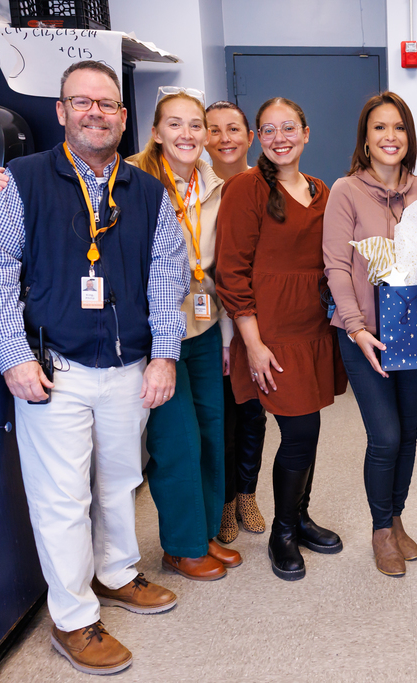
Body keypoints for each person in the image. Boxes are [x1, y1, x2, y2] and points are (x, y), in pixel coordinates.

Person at [0, 60, 187, 675]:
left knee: (119, 481)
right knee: (63, 499)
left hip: (126, 364)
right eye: (81, 102)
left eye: (107, 104)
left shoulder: (147, 190)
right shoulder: (22, 180)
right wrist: (12, 356)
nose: (95, 112)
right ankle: (73, 619)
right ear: (62, 112)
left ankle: (117, 571)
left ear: (123, 117)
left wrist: (165, 353)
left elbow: (167, 274)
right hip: (53, 367)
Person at [216, 97, 347, 581]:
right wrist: (252, 343)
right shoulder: (245, 189)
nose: (279, 138)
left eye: (288, 128)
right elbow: (231, 272)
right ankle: (283, 533)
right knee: (299, 434)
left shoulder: (322, 190)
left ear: (306, 133)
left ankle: (300, 516)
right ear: (258, 138)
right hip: (269, 333)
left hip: (312, 329)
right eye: (267, 130)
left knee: (307, 431)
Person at [323, 92, 417, 576]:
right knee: (386, 436)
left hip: (414, 331)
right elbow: (335, 266)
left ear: (408, 137)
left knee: (411, 431)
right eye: (379, 128)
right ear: (366, 138)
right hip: (364, 334)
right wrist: (355, 328)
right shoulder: (346, 191)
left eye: (398, 127)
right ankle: (379, 530)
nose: (390, 136)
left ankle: (396, 519)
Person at [127, 90, 241, 580]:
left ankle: (207, 531)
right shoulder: (131, 180)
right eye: (175, 125)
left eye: (196, 125)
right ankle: (182, 544)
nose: (188, 135)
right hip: (158, 334)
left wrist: (230, 335)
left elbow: (224, 265)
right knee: (177, 440)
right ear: (156, 132)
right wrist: (3, 181)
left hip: (206, 324)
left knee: (211, 432)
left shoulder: (216, 183)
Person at [203, 100, 268, 543]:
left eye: (233, 129)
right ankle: (226, 500)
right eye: (214, 130)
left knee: (253, 413)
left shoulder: (265, 186)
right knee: (222, 417)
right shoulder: (194, 188)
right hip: (210, 325)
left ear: (250, 137)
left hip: (256, 325)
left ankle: (248, 493)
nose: (224, 138)